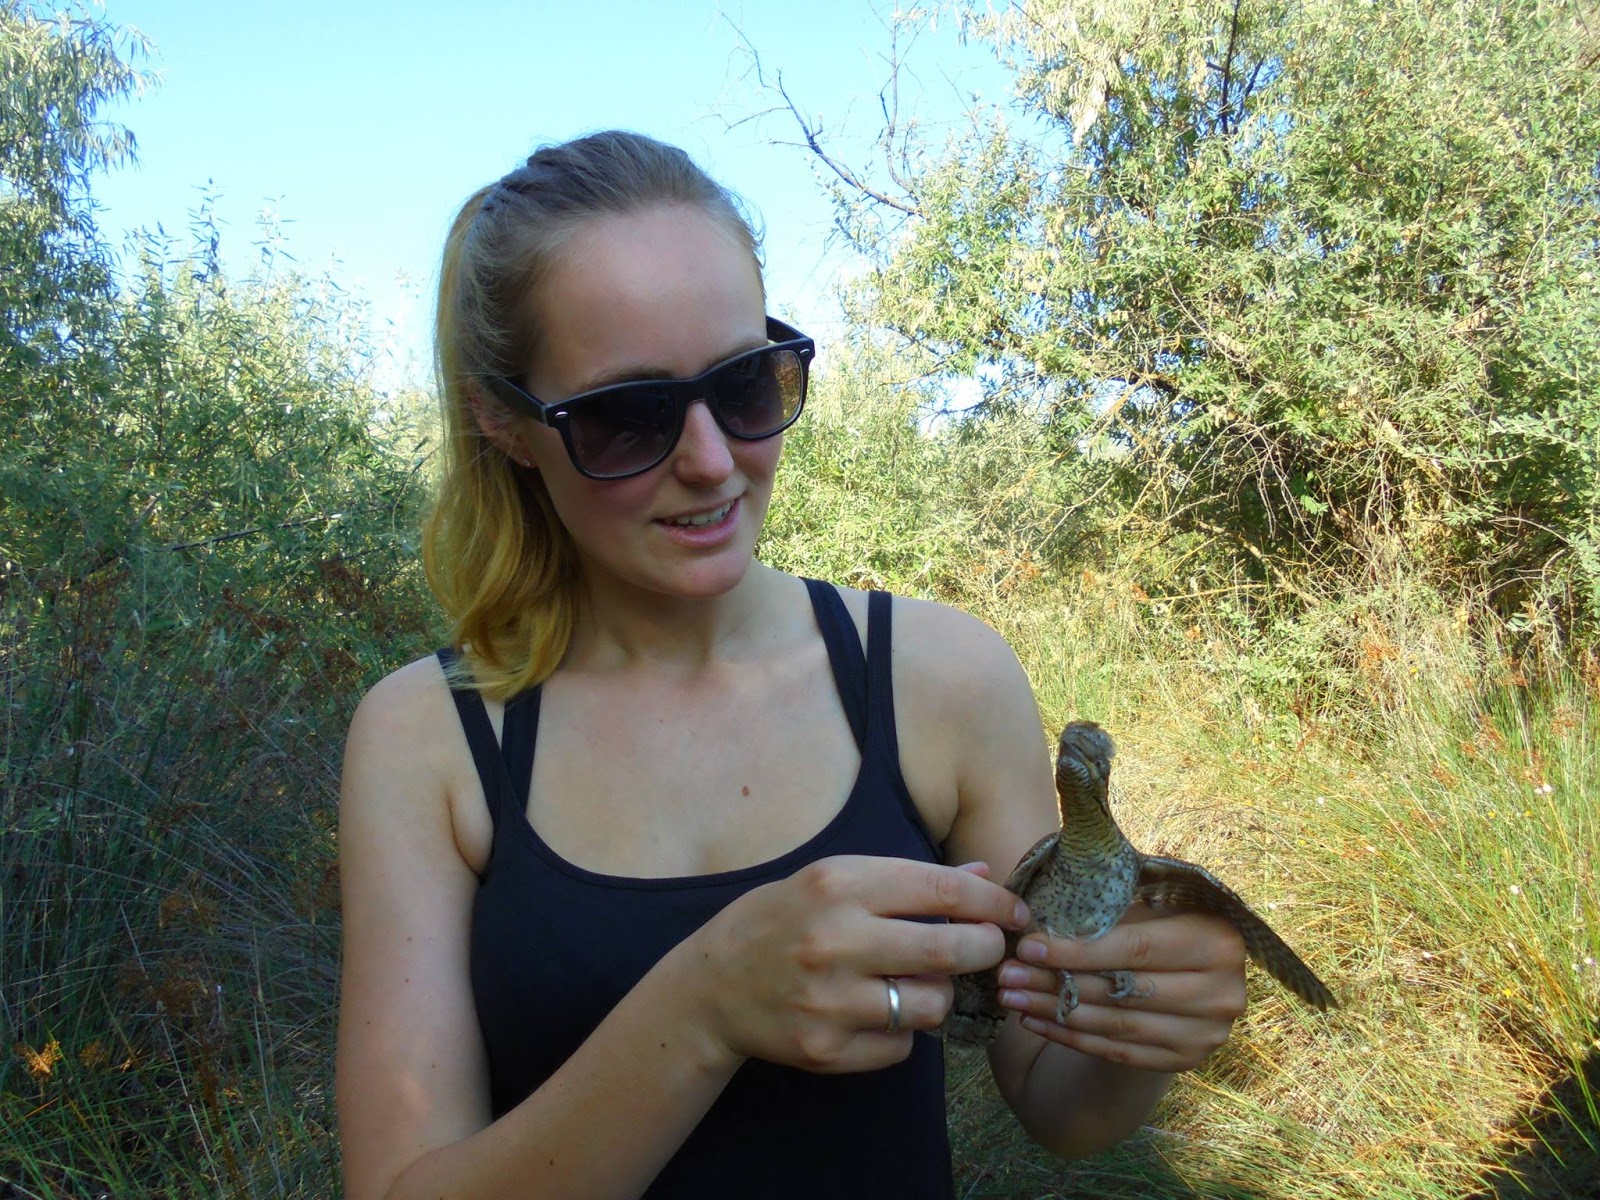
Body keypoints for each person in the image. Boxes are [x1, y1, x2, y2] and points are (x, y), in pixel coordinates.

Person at [334, 130, 1248, 1200]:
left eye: (745, 385)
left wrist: (1143, 1022)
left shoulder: (941, 678)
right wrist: (707, 1007)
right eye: (626, 417)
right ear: (505, 420)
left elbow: (1059, 1103)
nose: (712, 460)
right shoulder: (430, 740)